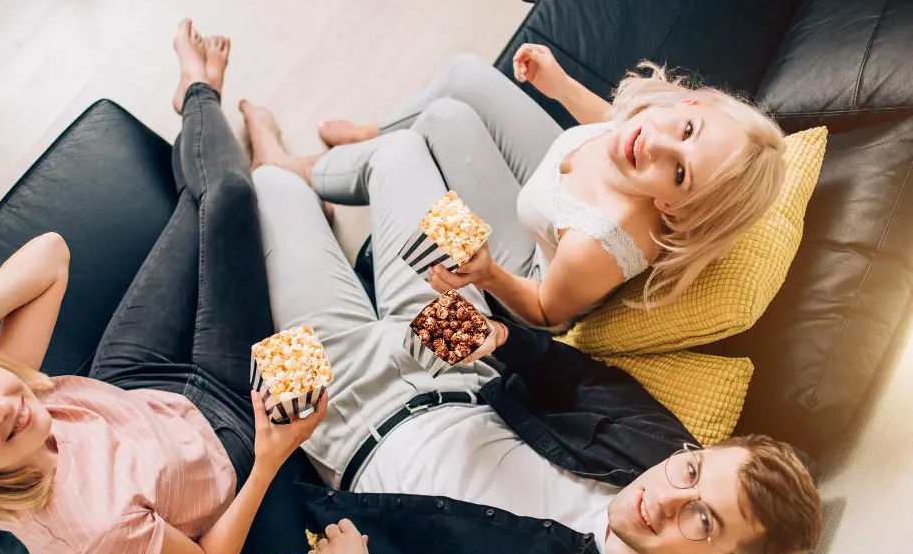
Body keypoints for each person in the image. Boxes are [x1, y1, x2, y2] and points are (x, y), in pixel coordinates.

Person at [235, 101, 821, 554]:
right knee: (402, 150)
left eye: (701, 520)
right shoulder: (667, 449)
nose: (665, 496)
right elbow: (581, 379)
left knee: (269, 189)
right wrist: (496, 335)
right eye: (691, 473)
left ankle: (279, 172)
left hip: (337, 423)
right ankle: (304, 171)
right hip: (454, 363)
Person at [0, 19, 331, 554]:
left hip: (135, 383)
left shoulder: (16, 397)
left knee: (211, 200)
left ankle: (197, 96)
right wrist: (268, 460)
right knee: (233, 197)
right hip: (227, 428)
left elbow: (51, 254)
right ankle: (201, 95)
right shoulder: (94, 532)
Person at [267, 48, 787, 326]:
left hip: (526, 256)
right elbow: (612, 122)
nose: (654, 146)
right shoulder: (647, 126)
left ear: (672, 208)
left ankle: (299, 169)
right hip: (554, 177)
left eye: (678, 173)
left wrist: (490, 273)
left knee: (442, 122)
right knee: (466, 74)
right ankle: (371, 133)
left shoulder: (596, 245)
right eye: (686, 132)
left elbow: (545, 312)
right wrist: (557, 85)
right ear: (690, 105)